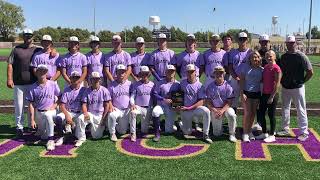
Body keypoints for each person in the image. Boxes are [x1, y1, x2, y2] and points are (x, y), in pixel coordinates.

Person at [277, 35, 313, 142]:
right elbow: (279, 71)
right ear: (286, 44)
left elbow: (310, 72)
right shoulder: (283, 57)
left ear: (295, 43)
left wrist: (302, 81)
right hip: (286, 87)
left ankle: (304, 132)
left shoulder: (301, 56)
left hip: (298, 88)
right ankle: (285, 128)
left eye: (292, 43)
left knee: (301, 109)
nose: (290, 44)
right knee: (285, 108)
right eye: (288, 43)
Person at [7, 28, 43, 137]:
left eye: (30, 35)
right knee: (19, 106)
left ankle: (31, 125)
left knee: (32, 105)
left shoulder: (38, 49)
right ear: (23, 36)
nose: (28, 37)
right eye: (26, 35)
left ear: (33, 36)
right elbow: (10, 64)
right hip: (18, 83)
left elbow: (50, 51)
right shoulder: (16, 49)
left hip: (33, 82)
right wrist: (9, 79)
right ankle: (19, 127)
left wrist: (54, 51)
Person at [26, 65, 60, 151]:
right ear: (36, 73)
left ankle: (51, 140)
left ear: (46, 73)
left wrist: (54, 106)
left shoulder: (52, 84)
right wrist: (32, 119)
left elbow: (60, 97)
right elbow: (31, 104)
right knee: (43, 136)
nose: (42, 73)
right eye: (40, 71)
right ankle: (49, 133)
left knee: (48, 115)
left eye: (44, 71)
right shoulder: (32, 87)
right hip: (39, 113)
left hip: (51, 111)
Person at [75, 72, 111, 147]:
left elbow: (107, 105)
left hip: (100, 115)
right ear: (90, 80)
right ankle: (81, 138)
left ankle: (101, 127)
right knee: (80, 118)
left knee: (96, 136)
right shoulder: (87, 90)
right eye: (93, 79)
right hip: (90, 113)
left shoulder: (104, 90)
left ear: (100, 80)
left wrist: (104, 118)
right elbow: (84, 104)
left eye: (97, 79)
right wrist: (85, 113)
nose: (95, 81)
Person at [179, 64, 212, 144]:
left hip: (195, 109)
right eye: (188, 72)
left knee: (206, 111)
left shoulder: (200, 85)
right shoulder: (182, 83)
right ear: (186, 73)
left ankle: (205, 134)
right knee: (187, 133)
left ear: (195, 73)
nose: (190, 74)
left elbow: (202, 101)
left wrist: (189, 108)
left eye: (192, 72)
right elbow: (178, 96)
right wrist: (178, 106)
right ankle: (180, 123)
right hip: (185, 110)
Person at [206, 66, 237, 143]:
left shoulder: (228, 86)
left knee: (231, 114)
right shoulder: (210, 86)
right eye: (217, 73)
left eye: (221, 73)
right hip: (215, 109)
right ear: (214, 74)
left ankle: (232, 133)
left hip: (225, 108)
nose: (219, 75)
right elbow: (208, 101)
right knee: (217, 134)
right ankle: (221, 128)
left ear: (224, 74)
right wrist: (214, 110)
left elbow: (229, 102)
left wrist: (222, 110)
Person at [256, 50, 282, 142]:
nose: (269, 58)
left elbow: (277, 84)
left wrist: (272, 96)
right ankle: (264, 133)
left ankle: (272, 134)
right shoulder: (266, 67)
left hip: (272, 95)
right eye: (267, 56)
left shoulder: (277, 68)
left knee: (271, 115)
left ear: (275, 57)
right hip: (264, 94)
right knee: (261, 113)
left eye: (270, 56)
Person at [55, 71, 86, 146]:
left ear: (80, 79)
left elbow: (86, 103)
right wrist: (67, 115)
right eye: (73, 78)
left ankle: (75, 134)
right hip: (69, 111)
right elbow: (62, 105)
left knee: (78, 134)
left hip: (79, 112)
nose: (75, 79)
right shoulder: (66, 89)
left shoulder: (84, 90)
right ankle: (61, 136)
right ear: (70, 79)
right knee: (58, 118)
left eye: (77, 78)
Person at [151, 65, 180, 142]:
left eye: (172, 71)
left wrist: (177, 107)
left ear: (174, 73)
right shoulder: (160, 82)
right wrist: (163, 99)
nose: (170, 73)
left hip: (171, 107)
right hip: (161, 105)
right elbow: (154, 94)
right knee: (155, 112)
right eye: (168, 71)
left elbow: (179, 97)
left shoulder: (178, 84)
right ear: (165, 72)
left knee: (169, 131)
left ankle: (167, 124)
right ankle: (157, 133)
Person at [239, 51, 263, 142]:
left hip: (256, 93)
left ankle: (250, 131)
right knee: (247, 113)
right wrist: (242, 93)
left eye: (256, 57)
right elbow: (241, 81)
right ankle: (245, 133)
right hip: (247, 93)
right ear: (249, 59)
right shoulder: (245, 68)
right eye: (253, 57)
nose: (254, 59)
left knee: (253, 113)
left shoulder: (262, 69)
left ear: (259, 58)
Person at [228, 32, 253, 113]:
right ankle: (232, 123)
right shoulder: (232, 52)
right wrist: (236, 77)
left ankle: (247, 125)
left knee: (246, 102)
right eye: (240, 39)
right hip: (235, 80)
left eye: (244, 39)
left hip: (247, 80)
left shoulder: (251, 52)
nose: (242, 41)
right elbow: (230, 67)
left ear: (247, 40)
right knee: (233, 102)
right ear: (237, 41)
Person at [129, 66, 155, 142]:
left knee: (144, 131)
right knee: (133, 113)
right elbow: (132, 96)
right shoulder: (136, 84)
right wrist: (132, 104)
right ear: (140, 75)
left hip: (148, 108)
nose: (144, 76)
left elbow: (154, 98)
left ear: (148, 74)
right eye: (142, 74)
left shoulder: (152, 84)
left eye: (146, 74)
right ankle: (133, 133)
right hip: (138, 107)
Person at [107, 64, 132, 142]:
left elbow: (133, 96)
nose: (121, 74)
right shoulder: (111, 85)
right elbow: (108, 98)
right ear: (116, 73)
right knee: (111, 115)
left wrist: (132, 104)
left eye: (123, 72)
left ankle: (117, 124)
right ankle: (112, 133)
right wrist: (111, 106)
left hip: (126, 109)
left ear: (125, 73)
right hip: (116, 109)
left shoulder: (130, 84)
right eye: (119, 72)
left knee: (122, 132)